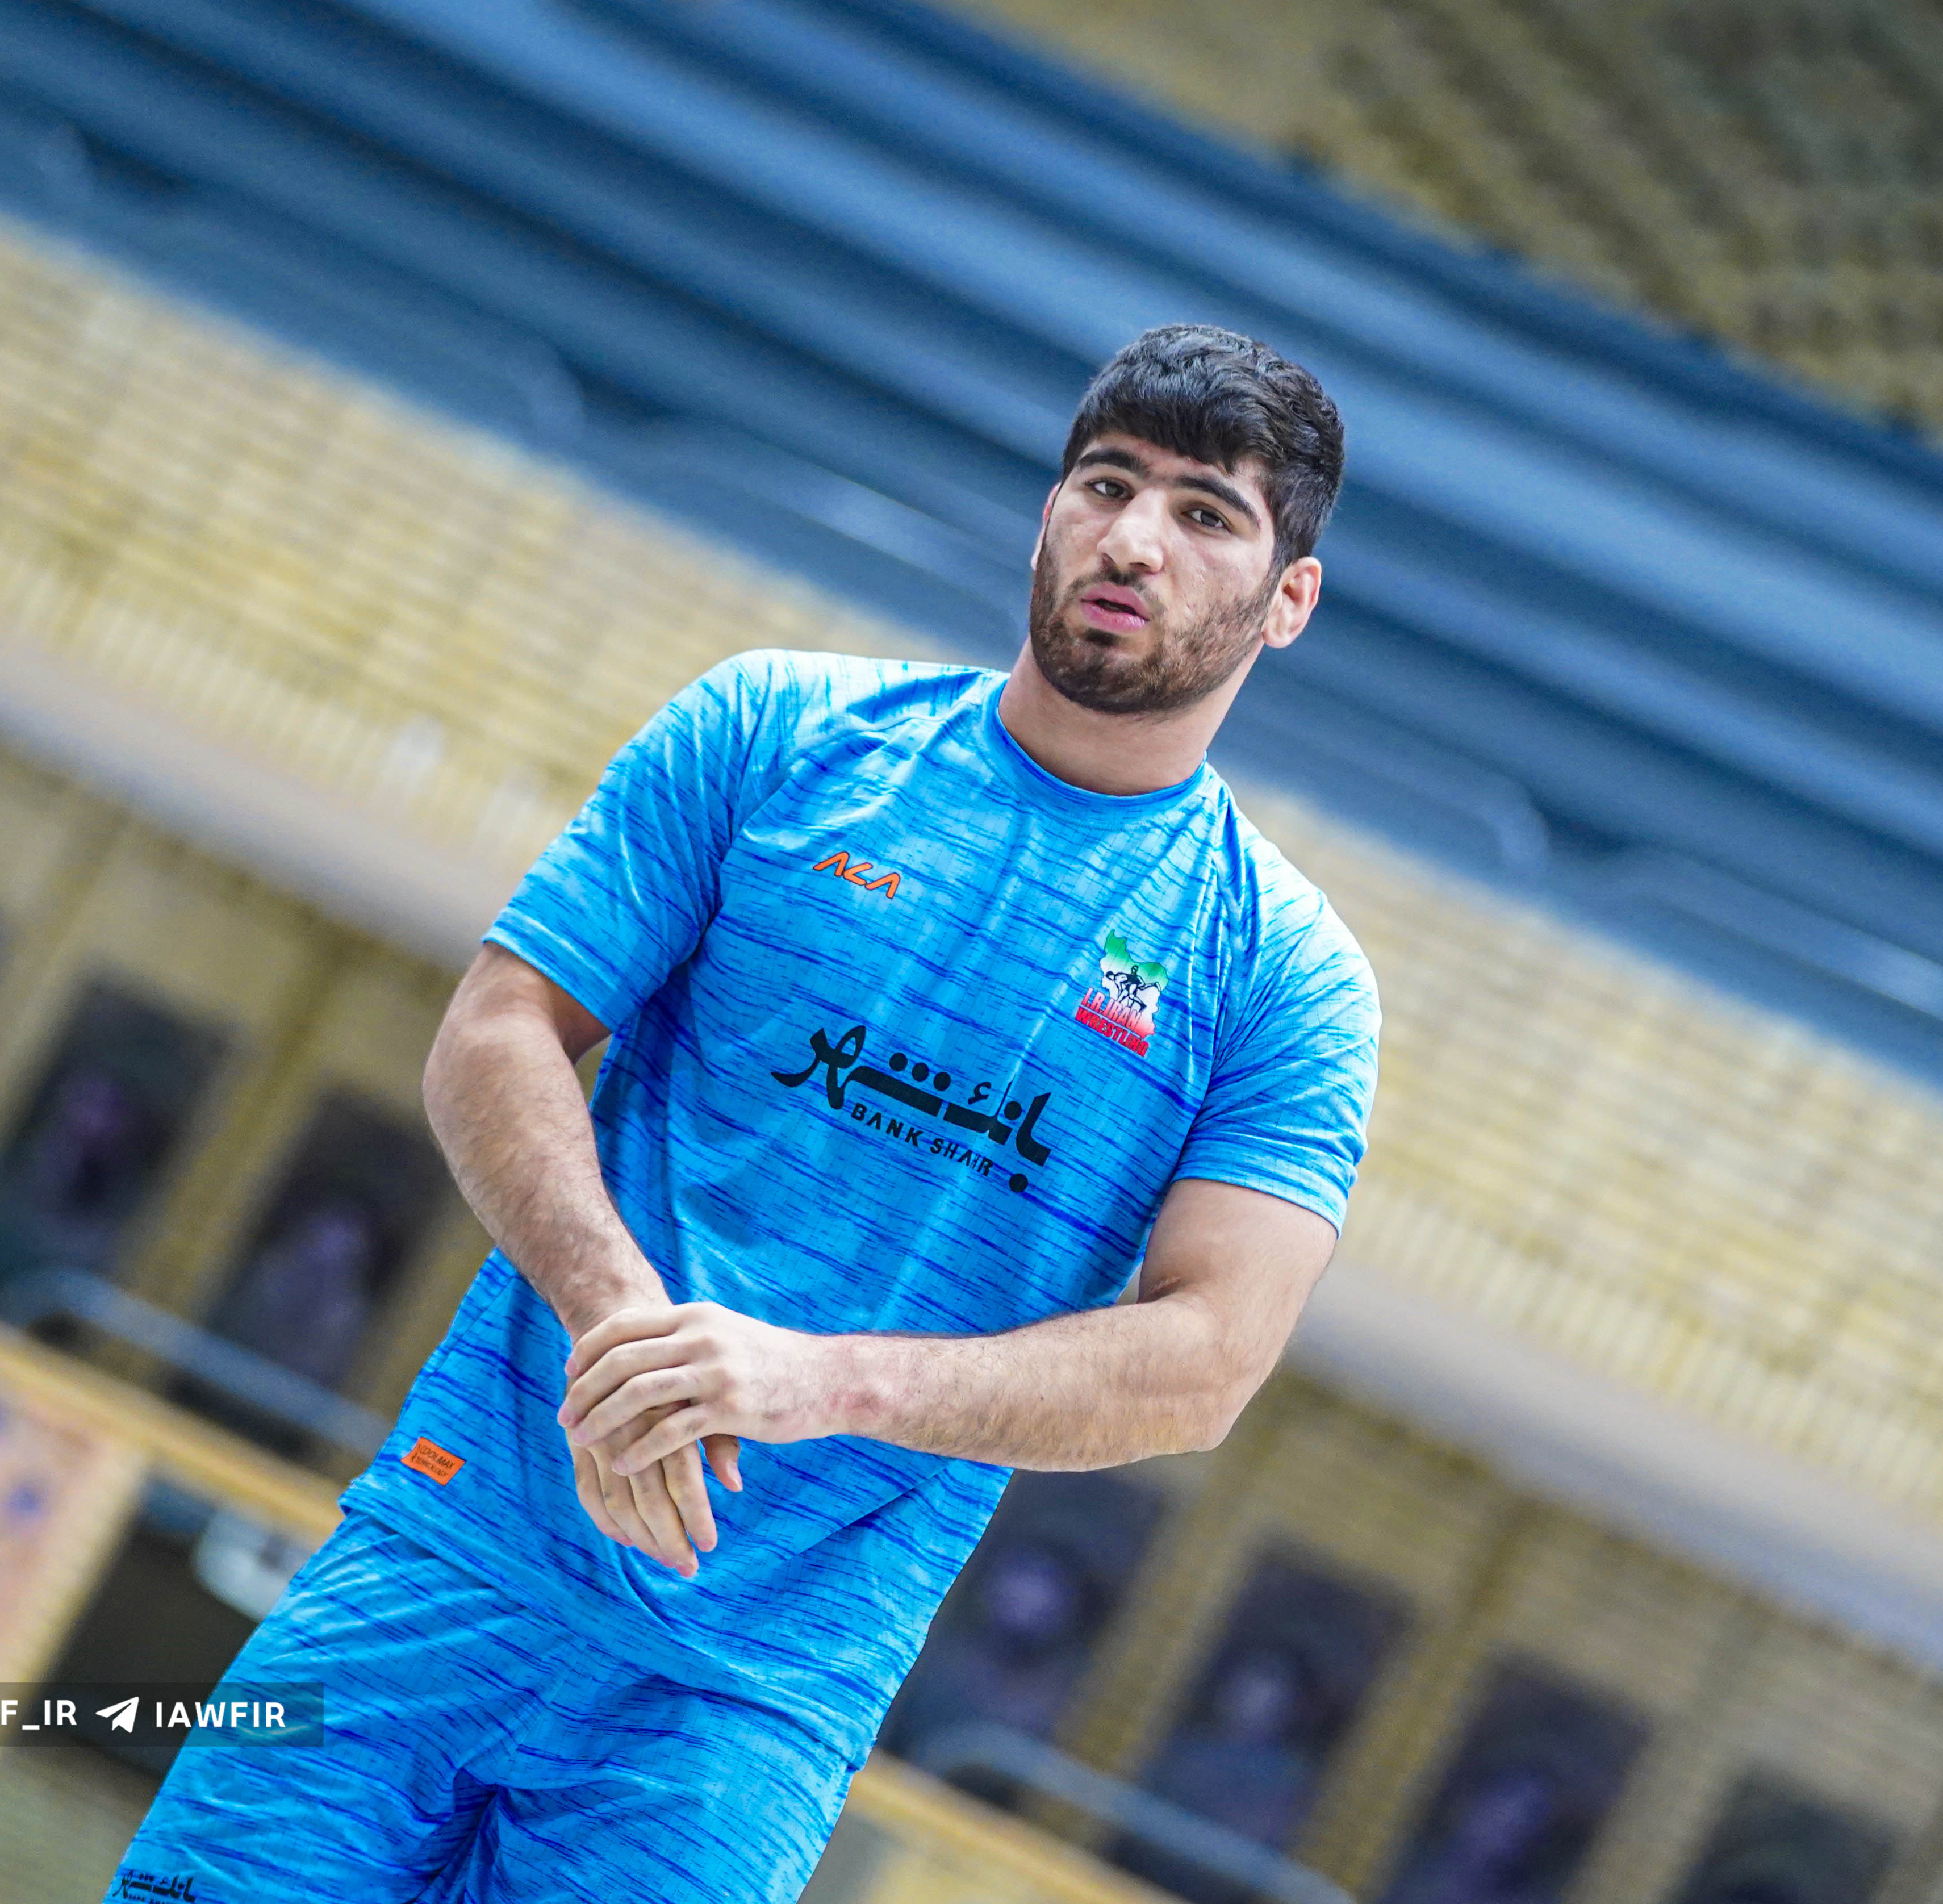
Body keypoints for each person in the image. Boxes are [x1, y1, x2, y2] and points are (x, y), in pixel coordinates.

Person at [105, 323, 1381, 1903]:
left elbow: (1207, 1362)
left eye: (1206, 514)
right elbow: (499, 1027)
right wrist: (620, 1324)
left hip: (744, 1717)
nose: (1133, 541)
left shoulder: (1284, 980)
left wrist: (814, 1380)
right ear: (1049, 509)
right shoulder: (777, 733)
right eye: (1107, 485)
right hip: (447, 1559)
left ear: (1289, 598)